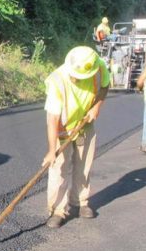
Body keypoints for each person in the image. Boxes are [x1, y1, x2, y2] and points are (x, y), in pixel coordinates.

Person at [42, 46, 109, 228]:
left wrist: (97, 107)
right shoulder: (57, 81)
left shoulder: (98, 67)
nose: (74, 78)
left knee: (83, 166)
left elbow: (105, 86)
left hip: (85, 124)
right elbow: (53, 119)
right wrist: (51, 151)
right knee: (59, 169)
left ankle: (81, 202)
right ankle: (57, 210)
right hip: (62, 128)